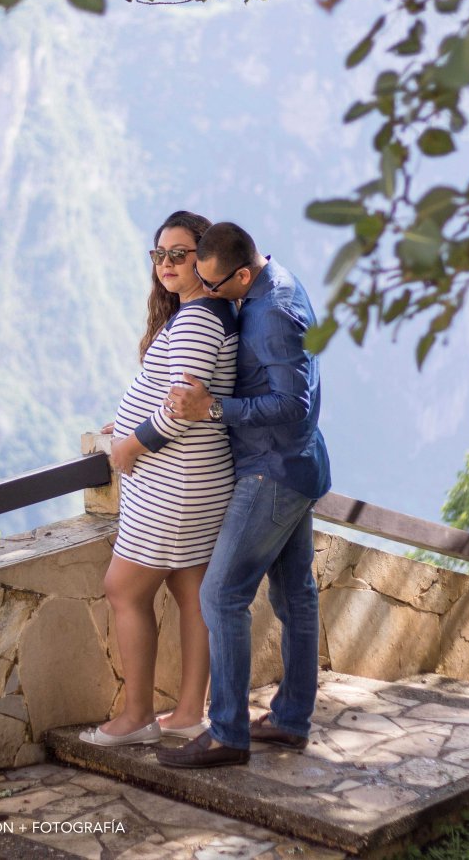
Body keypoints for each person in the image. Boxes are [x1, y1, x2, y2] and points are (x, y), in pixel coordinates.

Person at [156, 221, 331, 768]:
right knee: (295, 595)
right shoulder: (279, 281)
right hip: (300, 465)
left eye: (214, 285)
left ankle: (228, 732)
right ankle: (289, 720)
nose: (206, 294)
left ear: (244, 273)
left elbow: (293, 406)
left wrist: (214, 409)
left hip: (271, 472)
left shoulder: (270, 313)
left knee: (220, 595)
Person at [79, 211, 239, 747]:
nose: (167, 264)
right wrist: (126, 418)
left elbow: (184, 404)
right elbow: (169, 395)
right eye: (160, 255)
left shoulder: (196, 319)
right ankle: (191, 711)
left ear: (206, 258)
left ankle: (137, 716)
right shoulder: (210, 313)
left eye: (180, 253)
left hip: (174, 484)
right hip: (199, 479)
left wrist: (130, 442)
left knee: (122, 588)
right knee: (190, 590)